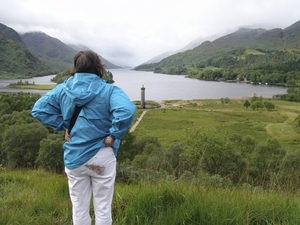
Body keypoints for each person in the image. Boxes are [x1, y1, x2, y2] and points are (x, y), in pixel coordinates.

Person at [31, 50, 136, 225]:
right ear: (98, 68)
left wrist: (63, 125)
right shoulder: (109, 90)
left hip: (75, 157)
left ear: (75, 67)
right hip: (102, 155)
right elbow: (126, 110)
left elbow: (38, 109)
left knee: (79, 208)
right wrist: (113, 136)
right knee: (103, 208)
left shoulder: (62, 89)